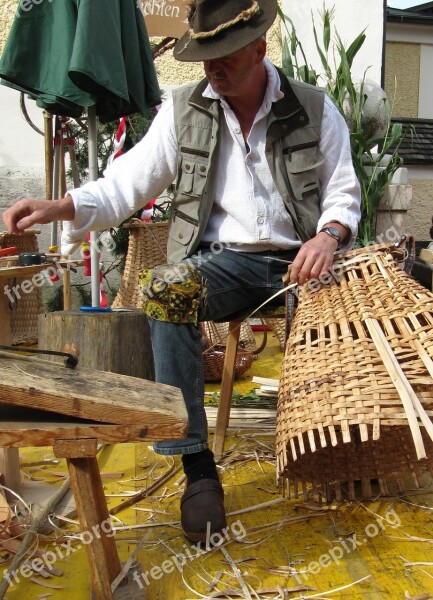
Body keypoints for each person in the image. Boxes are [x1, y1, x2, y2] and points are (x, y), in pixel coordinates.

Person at [2, 0, 361, 544]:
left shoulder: (314, 107)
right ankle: (196, 467)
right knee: (168, 288)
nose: (213, 70)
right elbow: (127, 184)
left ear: (260, 50)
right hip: (228, 262)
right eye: (205, 58)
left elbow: (343, 191)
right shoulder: (184, 109)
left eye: (225, 58)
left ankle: (345, 444)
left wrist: (329, 236)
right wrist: (63, 206)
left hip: (304, 259)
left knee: (373, 308)